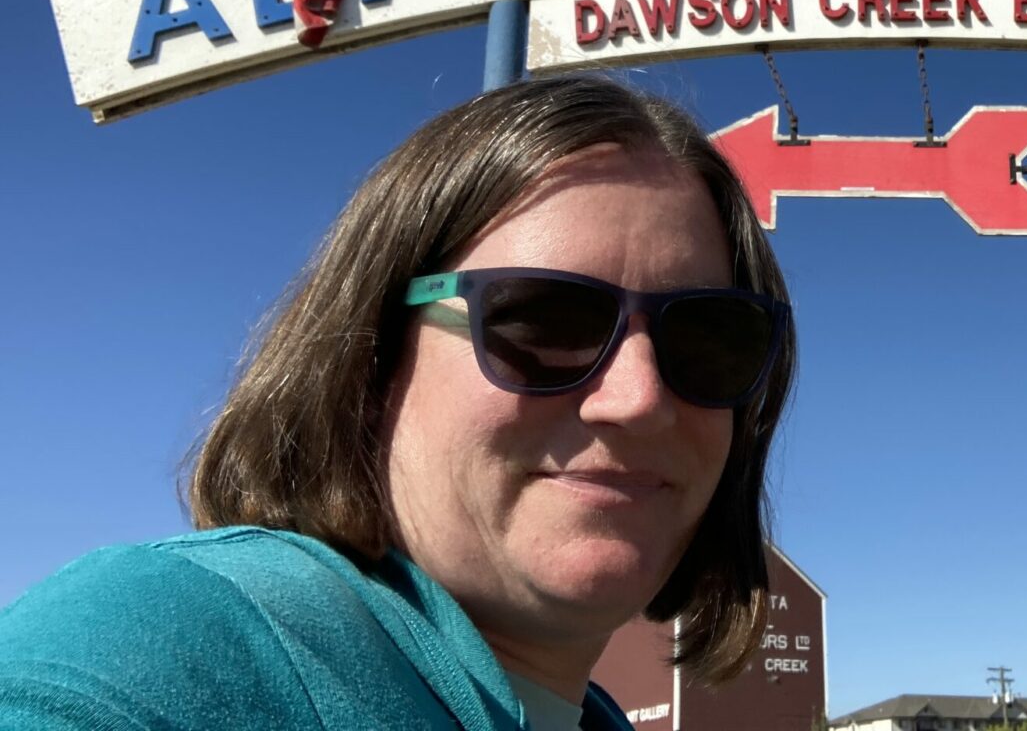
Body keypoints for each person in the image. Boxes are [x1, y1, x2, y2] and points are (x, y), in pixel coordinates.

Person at [0, 75, 796, 729]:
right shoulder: (163, 646)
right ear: (371, 360)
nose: (639, 399)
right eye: (541, 321)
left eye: (708, 339)